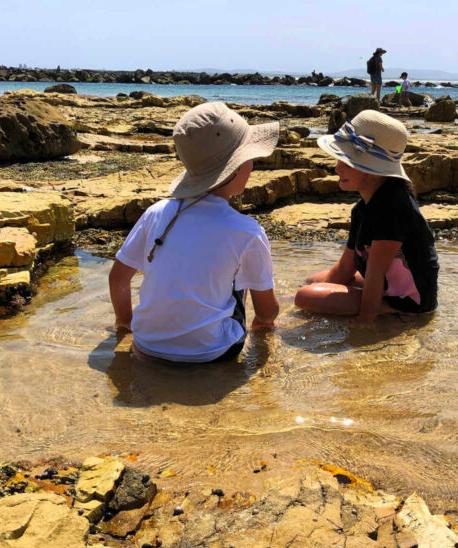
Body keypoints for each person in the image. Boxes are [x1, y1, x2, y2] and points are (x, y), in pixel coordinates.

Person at [109, 102, 280, 363]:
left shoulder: (156, 212)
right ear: (234, 170)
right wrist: (264, 328)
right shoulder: (247, 230)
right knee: (240, 282)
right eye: (250, 159)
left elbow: (118, 280)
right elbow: (266, 311)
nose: (253, 165)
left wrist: (125, 325)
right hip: (213, 353)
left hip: (146, 347)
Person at [294, 110, 439, 323]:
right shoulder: (362, 208)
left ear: (371, 170)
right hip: (388, 282)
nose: (336, 168)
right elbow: (346, 267)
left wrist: (364, 324)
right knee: (311, 282)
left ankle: (389, 311)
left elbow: (376, 272)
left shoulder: (392, 207)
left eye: (345, 162)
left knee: (304, 296)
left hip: (411, 300)